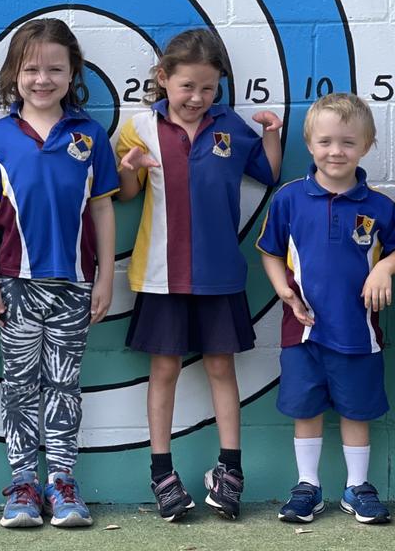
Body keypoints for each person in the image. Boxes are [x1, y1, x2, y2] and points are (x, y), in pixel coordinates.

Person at [116, 28, 282, 521]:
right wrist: (130, 168)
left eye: (208, 88)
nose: (197, 97)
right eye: (187, 86)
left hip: (220, 276)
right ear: (163, 78)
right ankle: (161, 472)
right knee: (164, 370)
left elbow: (268, 175)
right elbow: (125, 193)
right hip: (161, 276)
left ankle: (230, 469)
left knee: (220, 369)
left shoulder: (229, 125)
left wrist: (270, 135)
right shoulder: (140, 127)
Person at [0, 18, 118, 528]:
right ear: (14, 74)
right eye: (31, 68)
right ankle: (22, 485)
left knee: (63, 384)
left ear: (72, 71)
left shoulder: (90, 134)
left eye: (55, 68)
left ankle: (61, 482)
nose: (42, 78)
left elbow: (102, 210)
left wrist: (104, 278)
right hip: (14, 282)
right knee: (18, 386)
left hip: (75, 284)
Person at [257, 93, 395, 527]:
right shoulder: (288, 199)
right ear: (309, 143)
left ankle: (357, 488)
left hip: (360, 333)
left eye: (347, 142)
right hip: (303, 331)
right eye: (325, 142)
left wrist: (385, 272)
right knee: (306, 410)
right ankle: (308, 486)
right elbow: (268, 251)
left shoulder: (379, 206)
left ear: (368, 145)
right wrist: (283, 290)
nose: (335, 151)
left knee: (357, 411)